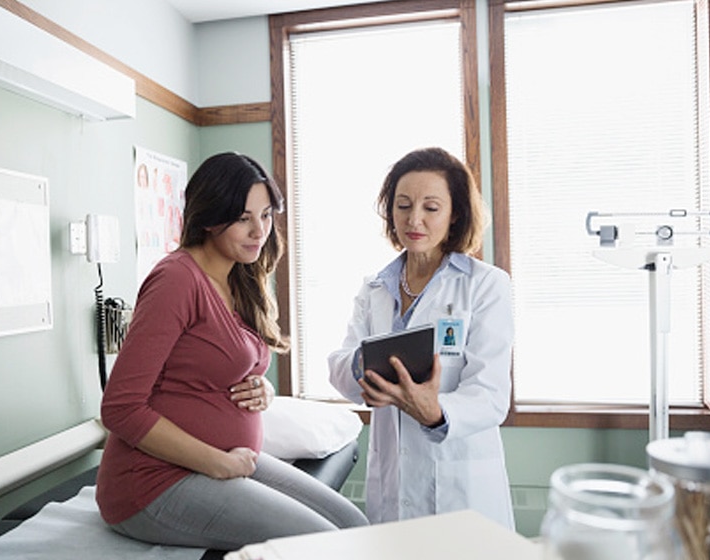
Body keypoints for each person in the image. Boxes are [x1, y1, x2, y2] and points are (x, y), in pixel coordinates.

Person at [97, 152, 368, 550]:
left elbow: (219, 366)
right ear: (210, 217)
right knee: (325, 544)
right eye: (243, 218)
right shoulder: (176, 280)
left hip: (224, 460)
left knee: (355, 524)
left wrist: (263, 391)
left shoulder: (238, 277)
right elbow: (119, 408)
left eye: (265, 215)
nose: (259, 231)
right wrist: (217, 463)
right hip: (154, 481)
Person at [328, 147, 515, 530]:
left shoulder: (485, 286)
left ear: (455, 214)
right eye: (403, 205)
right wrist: (364, 370)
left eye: (431, 207)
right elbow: (342, 363)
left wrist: (434, 411)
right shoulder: (375, 289)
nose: (414, 219)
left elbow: (492, 394)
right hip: (393, 486)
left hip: (460, 487)